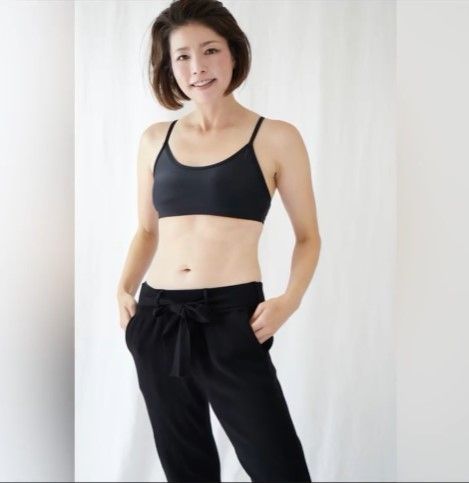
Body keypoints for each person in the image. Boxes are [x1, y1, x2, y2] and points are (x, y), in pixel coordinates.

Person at [116, 0, 321, 481]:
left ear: (233, 52)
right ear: (169, 66)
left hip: (233, 318)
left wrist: (289, 301)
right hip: (157, 317)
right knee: (186, 470)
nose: (198, 67)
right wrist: (123, 288)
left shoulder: (275, 137)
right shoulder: (155, 139)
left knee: (279, 468)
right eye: (182, 56)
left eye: (210, 50)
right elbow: (147, 230)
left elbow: (308, 236)